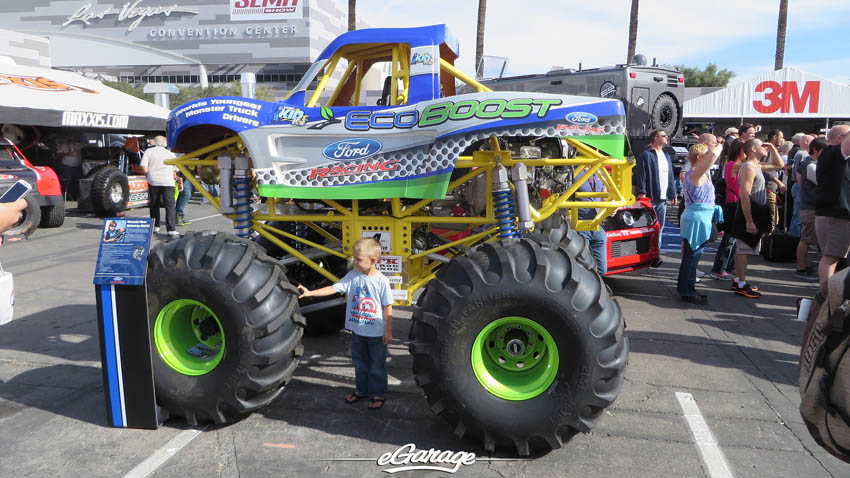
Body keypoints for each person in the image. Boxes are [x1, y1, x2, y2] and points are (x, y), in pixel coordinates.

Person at [297, 238, 393, 410]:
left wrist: (388, 331)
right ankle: (362, 390)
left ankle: (378, 394)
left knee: (377, 366)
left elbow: (388, 308)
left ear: (373, 261)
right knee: (360, 364)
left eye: (358, 259)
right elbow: (334, 288)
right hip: (357, 333)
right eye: (354, 258)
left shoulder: (381, 281)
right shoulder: (352, 276)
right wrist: (311, 292)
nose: (354, 262)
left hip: (377, 334)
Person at [732, 139, 784, 298]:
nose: (765, 147)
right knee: (743, 249)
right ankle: (741, 284)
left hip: (756, 211)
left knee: (746, 249)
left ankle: (738, 280)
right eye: (762, 145)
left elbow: (779, 165)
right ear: (754, 149)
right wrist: (749, 220)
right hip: (749, 212)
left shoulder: (757, 165)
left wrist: (773, 148)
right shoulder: (748, 167)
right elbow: (744, 195)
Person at [678, 141, 724, 304]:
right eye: (705, 154)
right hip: (696, 218)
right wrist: (718, 146)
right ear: (699, 157)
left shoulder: (697, 173)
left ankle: (686, 288)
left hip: (698, 216)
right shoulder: (695, 173)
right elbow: (713, 157)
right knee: (692, 257)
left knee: (691, 256)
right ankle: (687, 291)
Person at [815, 125, 850, 290]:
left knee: (834, 259)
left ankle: (830, 299)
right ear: (840, 138)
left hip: (837, 216)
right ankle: (826, 300)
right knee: (831, 258)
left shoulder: (837, 157)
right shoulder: (833, 153)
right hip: (835, 216)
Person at [634, 129, 676, 253]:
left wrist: (673, 193)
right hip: (651, 196)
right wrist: (642, 192)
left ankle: (656, 251)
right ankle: (645, 252)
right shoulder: (646, 155)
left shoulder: (666, 155)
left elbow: (670, 175)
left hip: (663, 198)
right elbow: (641, 175)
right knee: (647, 226)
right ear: (656, 138)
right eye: (664, 135)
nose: (666, 137)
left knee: (660, 226)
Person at [711, 140, 746, 280]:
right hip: (733, 203)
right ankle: (719, 269)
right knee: (730, 239)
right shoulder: (734, 164)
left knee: (734, 239)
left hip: (737, 202)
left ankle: (726, 267)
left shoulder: (735, 164)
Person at [794, 138, 826, 281]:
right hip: (811, 208)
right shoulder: (811, 165)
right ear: (816, 150)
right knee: (807, 238)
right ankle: (801, 268)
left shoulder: (809, 163)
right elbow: (823, 183)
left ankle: (802, 266)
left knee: (808, 238)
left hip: (810, 206)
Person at [141, 136, 179, 236]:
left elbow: (143, 166)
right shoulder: (170, 153)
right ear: (164, 143)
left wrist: (147, 175)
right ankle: (171, 229)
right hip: (167, 181)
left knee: (154, 204)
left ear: (155, 142)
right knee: (170, 205)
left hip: (153, 180)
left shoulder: (148, 151)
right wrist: (176, 177)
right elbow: (175, 169)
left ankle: (155, 226)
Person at [575, 166, 607, 276]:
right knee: (584, 268)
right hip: (580, 226)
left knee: (602, 270)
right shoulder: (574, 172)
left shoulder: (600, 171)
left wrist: (609, 209)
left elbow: (604, 195)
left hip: (597, 226)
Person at [788, 134, 814, 237]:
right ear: (807, 142)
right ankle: (794, 240)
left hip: (798, 186)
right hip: (800, 186)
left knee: (798, 215)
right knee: (798, 216)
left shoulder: (800, 153)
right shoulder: (803, 154)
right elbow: (800, 173)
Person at [763, 129, 786, 231]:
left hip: (772, 188)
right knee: (772, 218)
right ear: (774, 137)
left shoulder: (773, 151)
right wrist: (779, 182)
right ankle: (766, 244)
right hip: (769, 188)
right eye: (781, 137)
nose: (782, 140)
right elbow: (766, 170)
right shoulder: (769, 151)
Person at [56, 135, 82, 201]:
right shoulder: (63, 146)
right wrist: (68, 153)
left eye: (72, 136)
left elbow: (85, 153)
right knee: (68, 183)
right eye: (69, 137)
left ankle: (77, 200)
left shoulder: (79, 145)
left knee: (77, 183)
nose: (71, 138)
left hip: (77, 167)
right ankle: (69, 201)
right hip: (67, 167)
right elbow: (58, 155)